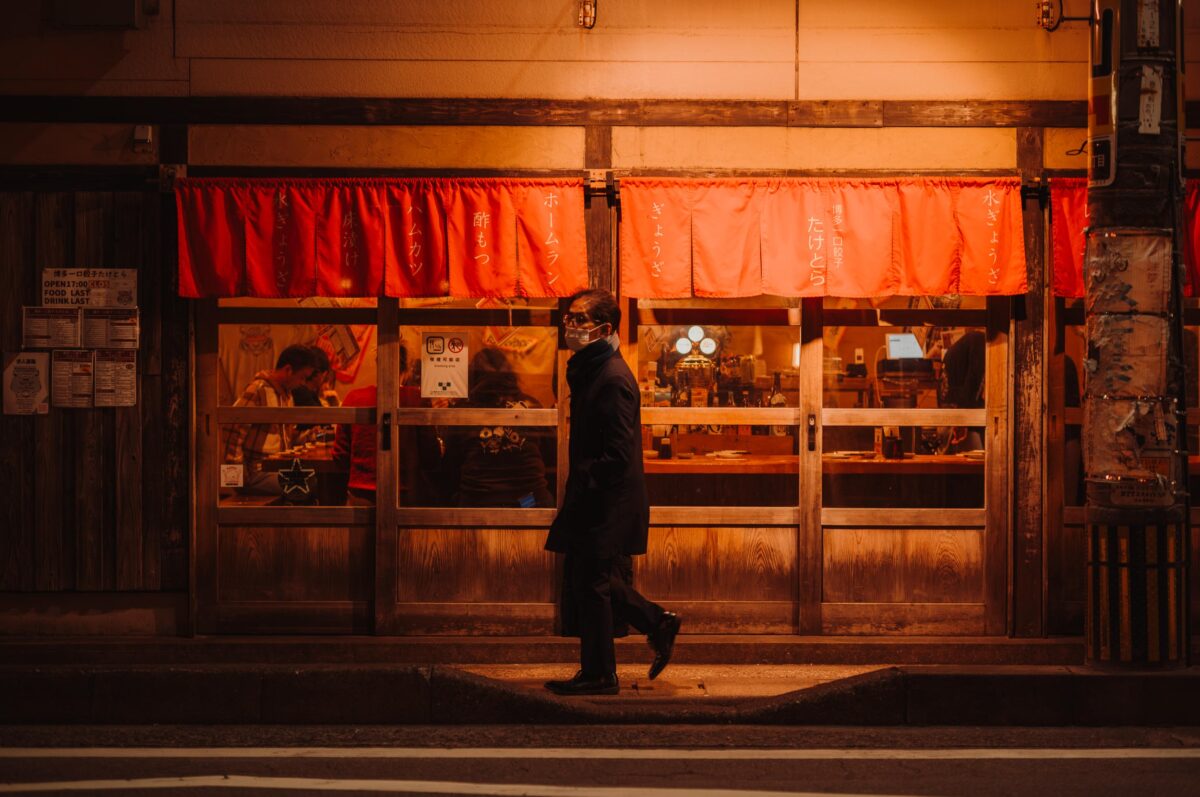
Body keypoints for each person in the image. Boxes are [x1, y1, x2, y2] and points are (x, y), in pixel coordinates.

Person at [543, 288, 680, 696]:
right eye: (568, 317)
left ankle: (601, 673)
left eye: (579, 319)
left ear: (603, 329)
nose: (569, 325)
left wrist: (588, 485)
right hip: (597, 496)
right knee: (591, 578)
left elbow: (617, 454)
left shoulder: (613, 377)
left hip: (606, 501)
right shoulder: (593, 369)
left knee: (591, 581)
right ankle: (656, 624)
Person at [440, 347, 554, 508]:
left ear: (472, 378)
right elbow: (551, 455)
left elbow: (450, 468)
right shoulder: (531, 405)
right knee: (535, 499)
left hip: (479, 502)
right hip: (527, 501)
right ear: (510, 375)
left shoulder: (464, 410)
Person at [224, 344, 318, 495]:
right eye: (302, 377)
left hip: (275, 468)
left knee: (315, 479)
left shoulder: (287, 395)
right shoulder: (259, 390)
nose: (303, 383)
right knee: (306, 485)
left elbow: (286, 438)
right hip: (256, 471)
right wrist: (237, 479)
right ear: (288, 369)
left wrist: (310, 436)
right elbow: (232, 429)